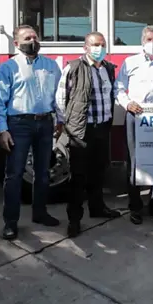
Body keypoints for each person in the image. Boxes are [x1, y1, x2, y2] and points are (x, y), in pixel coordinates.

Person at [0, 25, 63, 240]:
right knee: (14, 174)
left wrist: (60, 119)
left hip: (45, 123)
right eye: (27, 38)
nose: (32, 41)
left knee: (42, 173)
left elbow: (58, 96)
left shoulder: (51, 65)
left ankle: (40, 213)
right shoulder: (8, 67)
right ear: (16, 43)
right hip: (19, 124)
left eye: (34, 37)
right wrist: (2, 130)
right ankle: (10, 222)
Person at [55, 31, 122, 238]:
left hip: (102, 127)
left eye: (102, 44)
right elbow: (61, 98)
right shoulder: (74, 67)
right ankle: (74, 220)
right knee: (78, 177)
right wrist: (64, 124)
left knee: (99, 172)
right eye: (95, 44)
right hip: (81, 131)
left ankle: (97, 207)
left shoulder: (108, 68)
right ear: (85, 47)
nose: (99, 48)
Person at [114, 25, 153, 225]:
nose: (152, 43)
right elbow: (119, 88)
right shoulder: (130, 63)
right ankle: (135, 207)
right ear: (142, 41)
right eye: (149, 39)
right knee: (135, 162)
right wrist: (127, 103)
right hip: (136, 116)